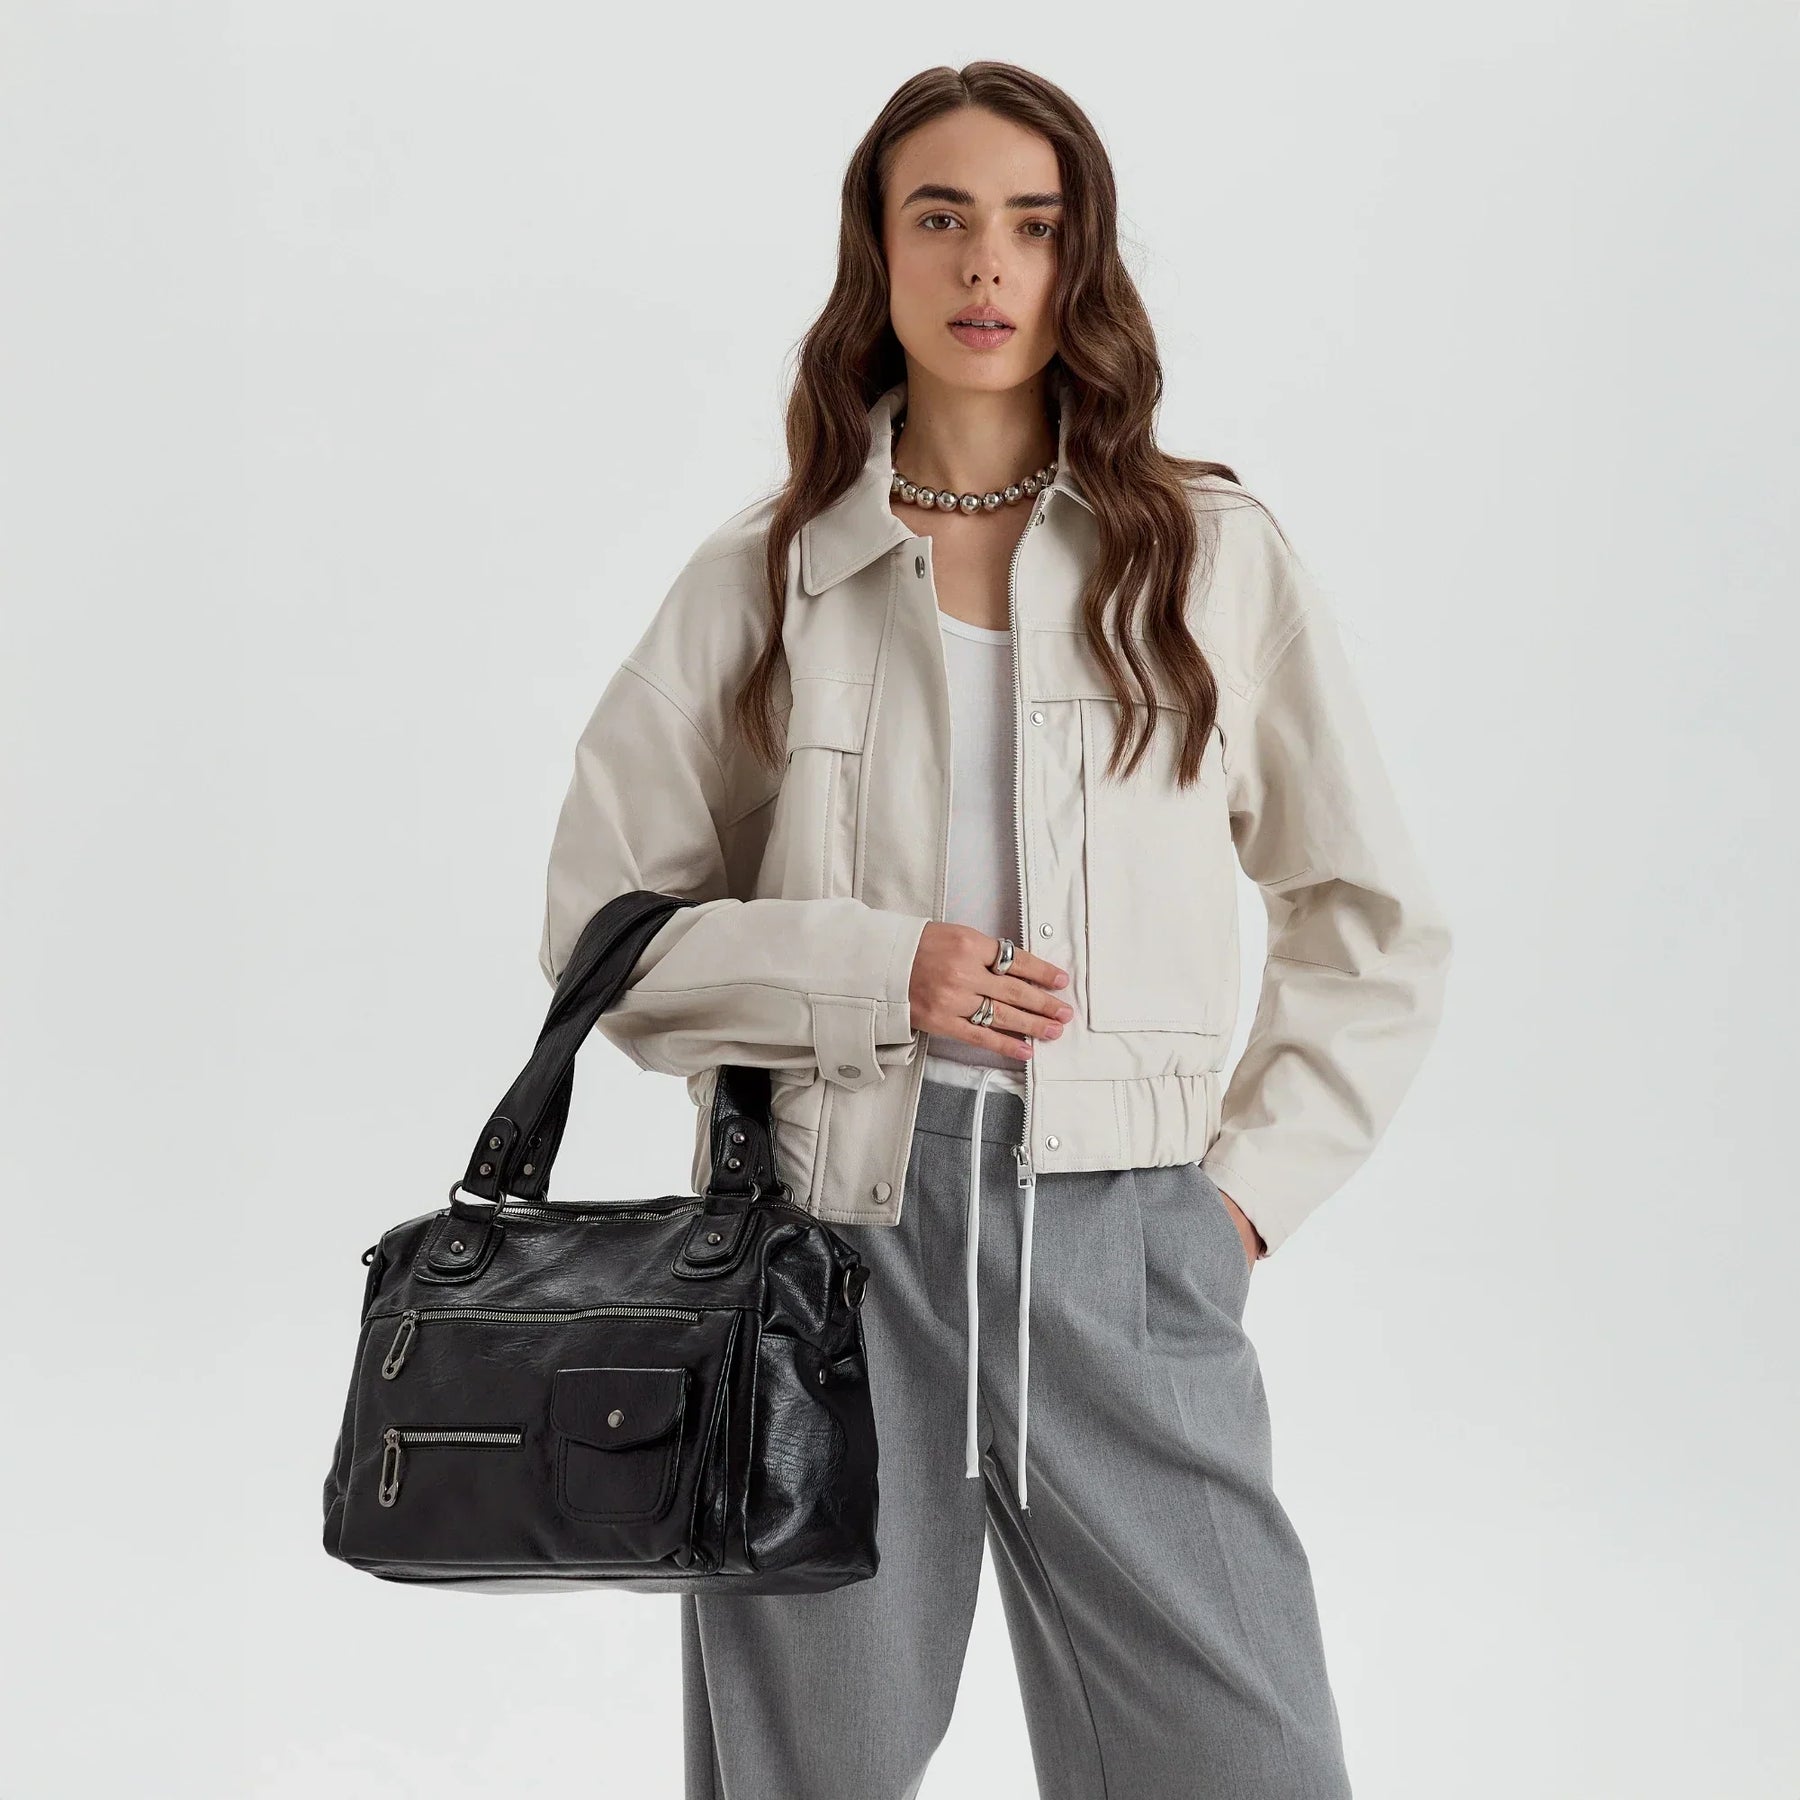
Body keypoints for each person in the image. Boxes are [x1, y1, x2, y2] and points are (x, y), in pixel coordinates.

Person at [538, 61, 1451, 1800]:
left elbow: (1370, 921)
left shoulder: (1207, 558)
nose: (985, 266)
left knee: (1251, 1762)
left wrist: (1238, 1206)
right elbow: (606, 939)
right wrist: (878, 973)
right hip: (832, 1252)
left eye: (1032, 227)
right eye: (942, 218)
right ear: (876, 254)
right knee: (814, 1773)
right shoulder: (766, 578)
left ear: (1077, 260)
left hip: (1129, 1242)